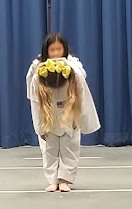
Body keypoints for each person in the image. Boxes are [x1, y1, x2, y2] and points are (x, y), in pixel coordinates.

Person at [29, 56, 100, 193]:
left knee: (71, 149)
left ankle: (65, 180)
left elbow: (81, 94)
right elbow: (36, 105)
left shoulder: (74, 73)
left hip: (69, 116)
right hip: (49, 118)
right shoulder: (39, 78)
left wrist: (77, 119)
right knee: (49, 151)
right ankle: (53, 180)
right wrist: (40, 128)